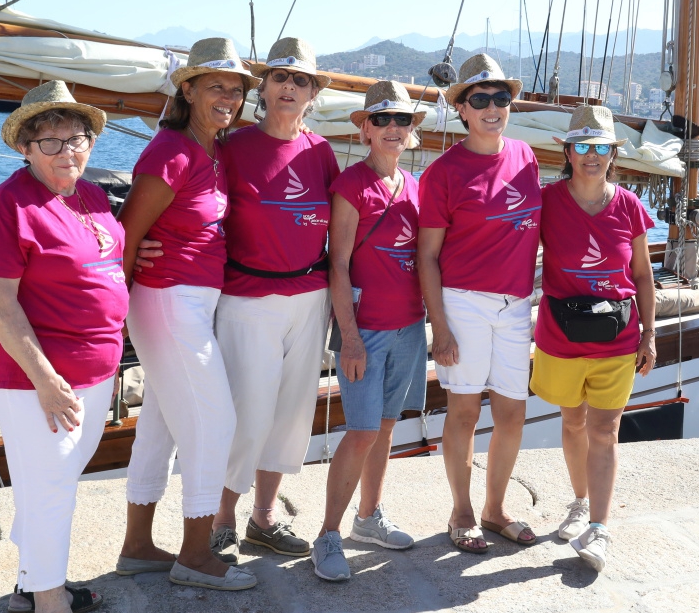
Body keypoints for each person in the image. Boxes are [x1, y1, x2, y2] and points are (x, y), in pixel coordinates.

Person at [0, 80, 125, 613]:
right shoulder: (8, 207)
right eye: (50, 141)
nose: (66, 151)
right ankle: (51, 601)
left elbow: (101, 256)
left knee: (50, 482)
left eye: (76, 138)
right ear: (25, 147)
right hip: (38, 376)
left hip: (95, 367)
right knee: (52, 487)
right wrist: (46, 381)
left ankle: (30, 586)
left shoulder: (89, 195)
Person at [116, 38, 258, 591]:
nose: (228, 97)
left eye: (236, 89)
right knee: (214, 423)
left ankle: (137, 547)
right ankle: (196, 556)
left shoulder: (211, 150)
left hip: (191, 300)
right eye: (216, 85)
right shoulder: (170, 152)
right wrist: (113, 317)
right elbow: (127, 234)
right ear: (189, 90)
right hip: (168, 299)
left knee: (160, 424)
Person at [208, 37, 338, 564]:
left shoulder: (320, 152)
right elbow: (196, 210)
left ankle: (262, 520)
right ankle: (220, 520)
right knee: (247, 414)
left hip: (310, 298)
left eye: (300, 80)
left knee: (290, 416)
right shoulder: (232, 147)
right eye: (281, 77)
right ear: (262, 87)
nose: (290, 86)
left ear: (312, 94)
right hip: (248, 299)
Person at [417, 54, 541, 553]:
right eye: (481, 99)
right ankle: (462, 511)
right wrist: (440, 327)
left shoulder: (526, 156)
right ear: (463, 109)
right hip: (463, 303)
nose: (493, 108)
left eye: (500, 98)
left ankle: (495, 509)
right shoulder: (443, 173)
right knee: (465, 412)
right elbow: (427, 256)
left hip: (516, 305)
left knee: (512, 413)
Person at [312, 81, 428, 581]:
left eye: (401, 120)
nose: (393, 128)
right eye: (382, 120)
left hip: (409, 326)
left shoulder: (415, 185)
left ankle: (368, 518)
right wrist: (351, 338)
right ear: (365, 130)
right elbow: (337, 265)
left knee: (385, 426)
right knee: (361, 431)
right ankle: (328, 535)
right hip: (367, 331)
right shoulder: (351, 186)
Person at [533, 105, 656, 572]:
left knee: (605, 431)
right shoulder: (546, 201)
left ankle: (599, 529)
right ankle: (580, 503)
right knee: (572, 422)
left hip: (617, 339)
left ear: (612, 154)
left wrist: (649, 334)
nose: (591, 155)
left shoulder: (629, 206)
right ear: (568, 152)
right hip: (561, 337)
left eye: (601, 146)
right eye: (582, 146)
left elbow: (642, 276)